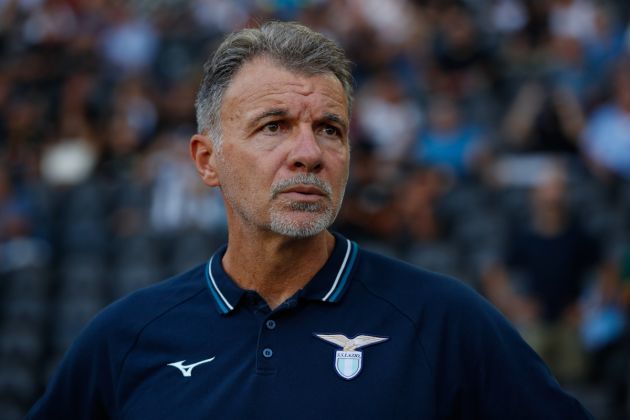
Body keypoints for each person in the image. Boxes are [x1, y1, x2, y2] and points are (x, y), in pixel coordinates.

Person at [27, 21, 593, 419]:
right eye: (273, 126)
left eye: (330, 129)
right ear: (207, 160)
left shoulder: (444, 322)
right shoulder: (126, 337)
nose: (309, 153)